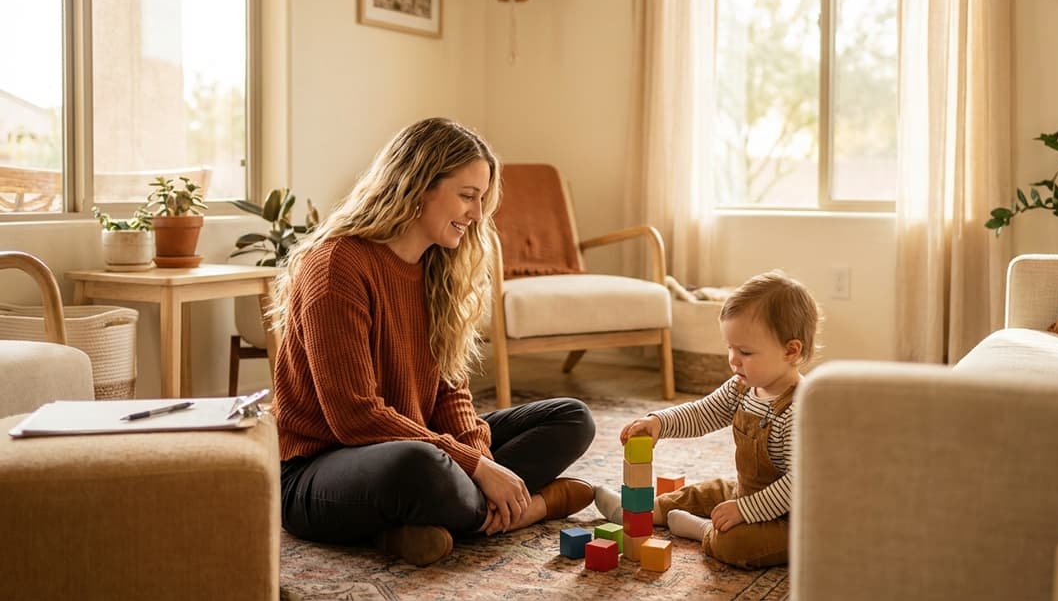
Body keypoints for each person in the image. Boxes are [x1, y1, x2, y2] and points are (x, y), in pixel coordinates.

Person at [271, 117, 596, 566]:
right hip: (320, 468)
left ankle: (415, 528)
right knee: (420, 467)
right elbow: (353, 417)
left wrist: (478, 457)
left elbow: (450, 391)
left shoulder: (437, 268)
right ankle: (531, 509)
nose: (478, 214)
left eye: (481, 199)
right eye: (467, 196)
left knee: (571, 418)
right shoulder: (337, 266)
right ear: (418, 185)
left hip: (420, 440)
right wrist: (478, 469)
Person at [593, 271, 821, 569]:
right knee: (702, 493)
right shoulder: (743, 385)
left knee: (737, 543)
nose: (733, 360)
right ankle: (641, 512)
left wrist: (745, 510)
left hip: (793, 514)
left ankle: (702, 530)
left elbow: (798, 483)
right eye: (730, 348)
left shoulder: (798, 410)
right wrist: (660, 422)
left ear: (790, 351)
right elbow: (703, 413)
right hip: (748, 491)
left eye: (746, 352)